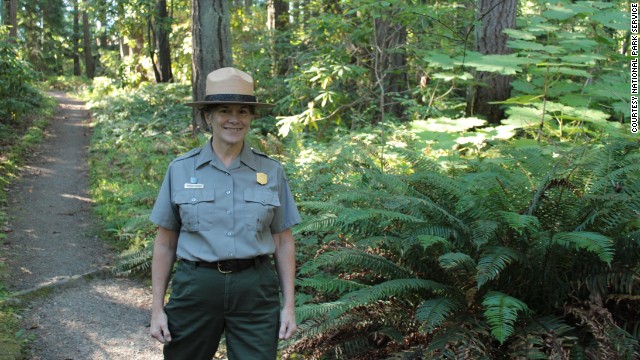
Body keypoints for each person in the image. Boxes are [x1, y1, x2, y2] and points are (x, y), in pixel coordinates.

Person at [149, 67, 300, 360]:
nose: (234, 118)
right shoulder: (181, 169)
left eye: (243, 111)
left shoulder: (271, 171)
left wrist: (289, 307)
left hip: (255, 291)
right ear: (208, 116)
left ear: (251, 118)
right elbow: (165, 242)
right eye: (224, 110)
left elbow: (283, 241)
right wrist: (157, 309)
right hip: (195, 288)